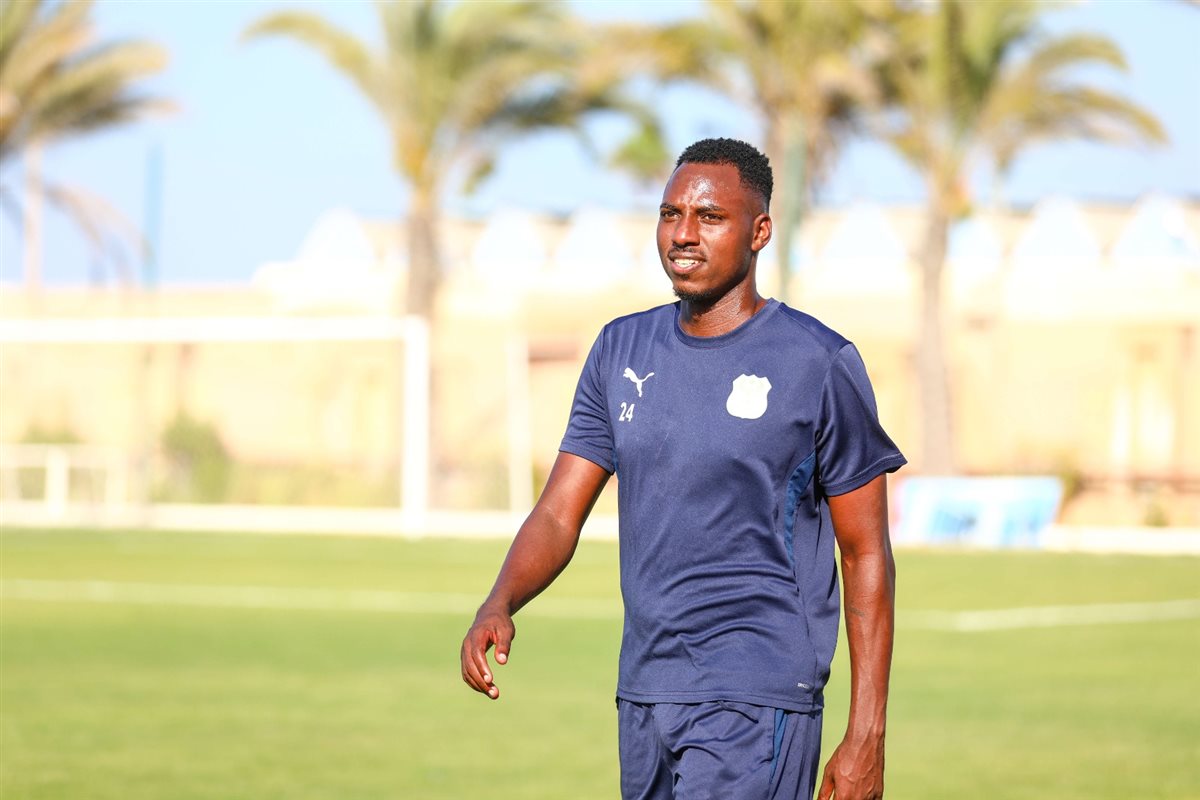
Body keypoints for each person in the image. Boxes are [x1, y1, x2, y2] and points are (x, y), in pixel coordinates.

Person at [460, 137, 906, 800]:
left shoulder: (817, 362)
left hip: (757, 695)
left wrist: (867, 733)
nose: (684, 234)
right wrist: (499, 601)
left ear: (760, 232)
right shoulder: (621, 349)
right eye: (671, 214)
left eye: (710, 217)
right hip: (645, 691)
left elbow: (865, 551)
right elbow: (557, 513)